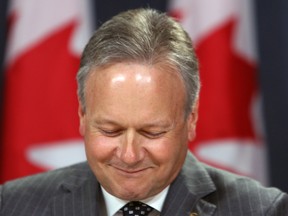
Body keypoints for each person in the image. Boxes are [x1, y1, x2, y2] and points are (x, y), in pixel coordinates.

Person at [0, 8, 287, 216]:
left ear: (191, 119)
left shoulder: (261, 210)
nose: (129, 155)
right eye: (110, 130)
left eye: (152, 132)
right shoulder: (12, 206)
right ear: (82, 117)